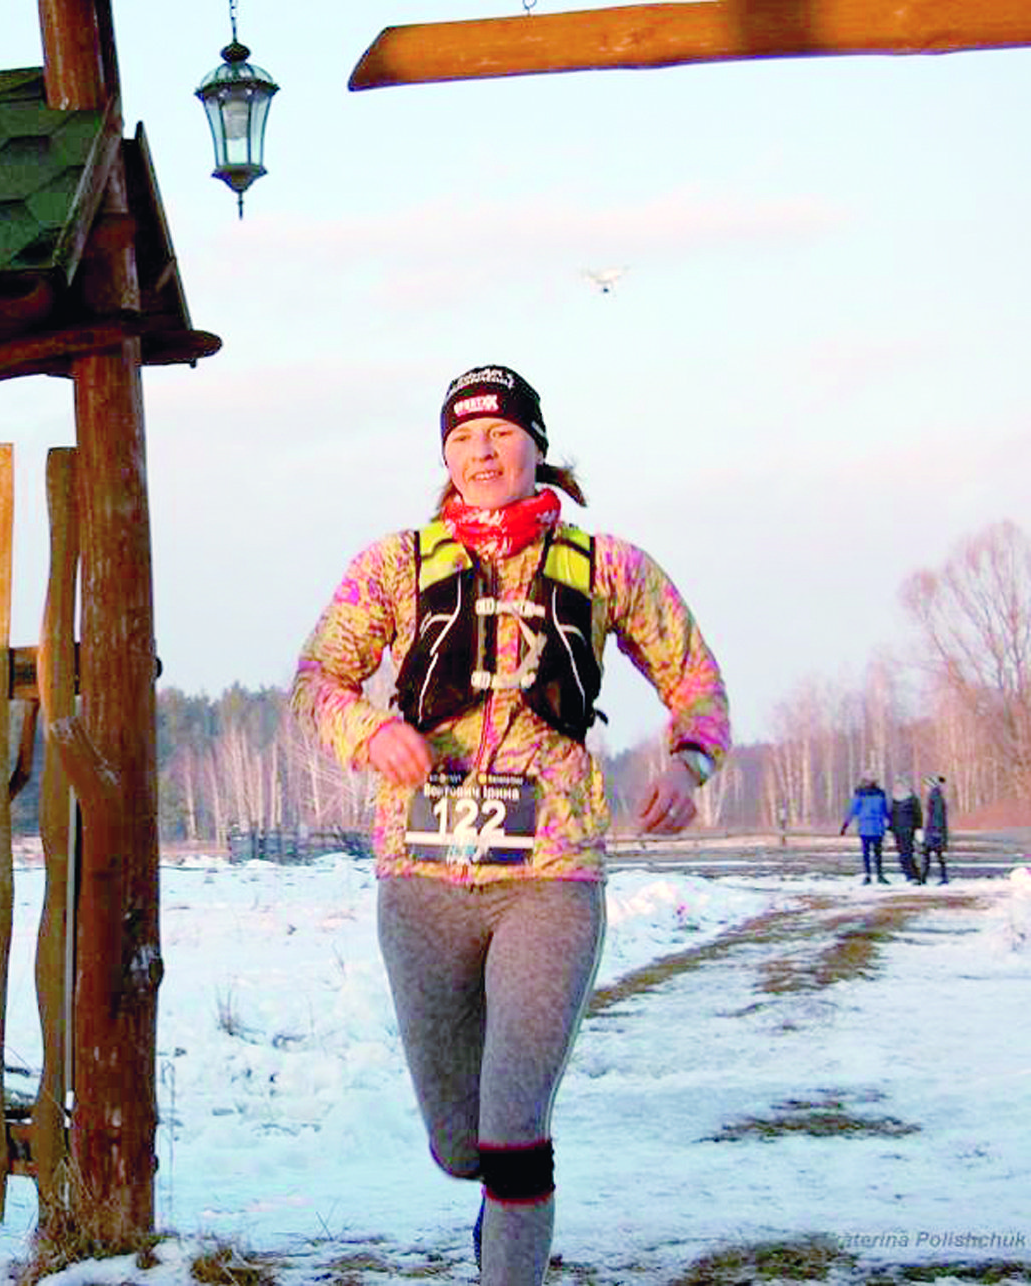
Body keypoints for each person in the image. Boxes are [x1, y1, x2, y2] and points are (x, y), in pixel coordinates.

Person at [290, 364, 730, 1286]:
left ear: (537, 445)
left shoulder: (608, 565)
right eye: (462, 439)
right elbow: (316, 682)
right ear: (445, 458)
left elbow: (697, 682)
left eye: (500, 434)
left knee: (515, 1130)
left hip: (550, 877)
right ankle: (497, 1218)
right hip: (422, 881)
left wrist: (688, 763)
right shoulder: (394, 565)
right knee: (462, 1146)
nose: (482, 453)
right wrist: (371, 732)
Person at [840, 774, 890, 884]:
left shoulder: (860, 794)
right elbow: (885, 810)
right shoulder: (880, 793)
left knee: (867, 852)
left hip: (866, 826)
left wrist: (845, 824)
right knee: (877, 852)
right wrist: (890, 822)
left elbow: (853, 810)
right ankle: (878, 875)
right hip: (877, 826)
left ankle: (869, 875)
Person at [887, 780, 922, 882]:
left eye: (900, 786)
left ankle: (913, 873)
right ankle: (908, 872)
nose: (899, 788)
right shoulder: (894, 800)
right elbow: (891, 815)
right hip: (897, 830)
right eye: (897, 786)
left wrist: (918, 827)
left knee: (907, 852)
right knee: (902, 852)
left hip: (908, 829)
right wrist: (890, 829)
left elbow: (918, 814)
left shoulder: (912, 799)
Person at [921, 774, 950, 884]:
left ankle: (925, 877)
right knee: (934, 854)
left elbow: (937, 814)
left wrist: (936, 830)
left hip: (933, 830)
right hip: (935, 829)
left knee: (930, 853)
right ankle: (929, 877)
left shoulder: (934, 796)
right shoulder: (937, 795)